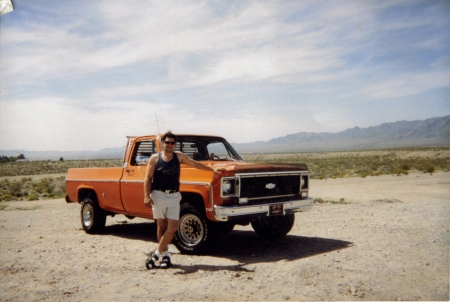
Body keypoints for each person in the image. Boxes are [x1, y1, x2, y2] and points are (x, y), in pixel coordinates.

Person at [143, 131, 223, 269]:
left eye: (172, 143)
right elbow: (148, 178)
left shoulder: (179, 156)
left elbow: (194, 164)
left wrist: (211, 170)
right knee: (161, 225)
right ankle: (165, 255)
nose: (169, 145)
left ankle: (156, 254)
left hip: (174, 195)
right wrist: (146, 196)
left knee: (172, 228)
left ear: (175, 145)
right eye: (167, 142)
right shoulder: (155, 159)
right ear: (163, 143)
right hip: (158, 194)